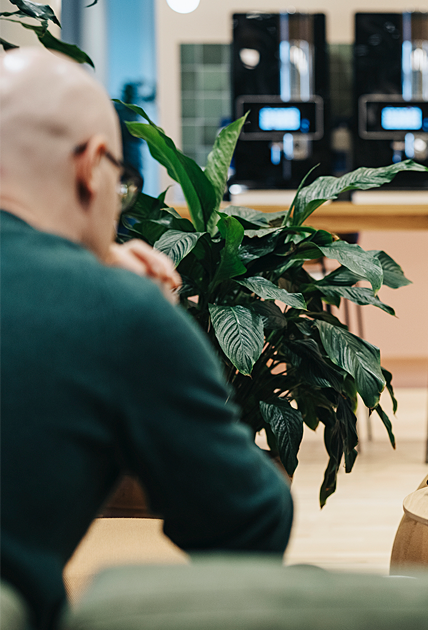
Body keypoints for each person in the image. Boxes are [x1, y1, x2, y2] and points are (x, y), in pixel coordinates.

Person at [0, 49, 294, 630]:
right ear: (89, 167)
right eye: (122, 180)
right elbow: (250, 520)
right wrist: (137, 307)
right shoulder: (114, 312)